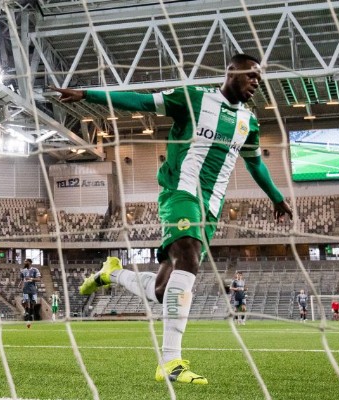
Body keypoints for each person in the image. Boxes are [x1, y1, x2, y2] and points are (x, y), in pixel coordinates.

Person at [57, 53, 292, 385]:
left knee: (162, 290)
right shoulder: (193, 98)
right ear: (231, 72)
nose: (256, 82)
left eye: (259, 78)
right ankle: (170, 362)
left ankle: (113, 273)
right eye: (251, 75)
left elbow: (255, 163)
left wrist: (277, 197)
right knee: (189, 258)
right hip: (181, 192)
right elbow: (141, 101)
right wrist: (88, 94)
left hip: (211, 206)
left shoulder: (248, 122)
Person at [20, 259, 40, 326]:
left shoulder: (35, 270)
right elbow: (22, 280)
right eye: (24, 261)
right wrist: (21, 285)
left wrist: (31, 279)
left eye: (26, 261)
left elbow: (39, 279)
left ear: (30, 262)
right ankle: (26, 313)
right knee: (25, 301)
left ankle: (31, 315)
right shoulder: (23, 271)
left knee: (33, 302)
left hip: (32, 289)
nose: (25, 262)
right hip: (25, 289)